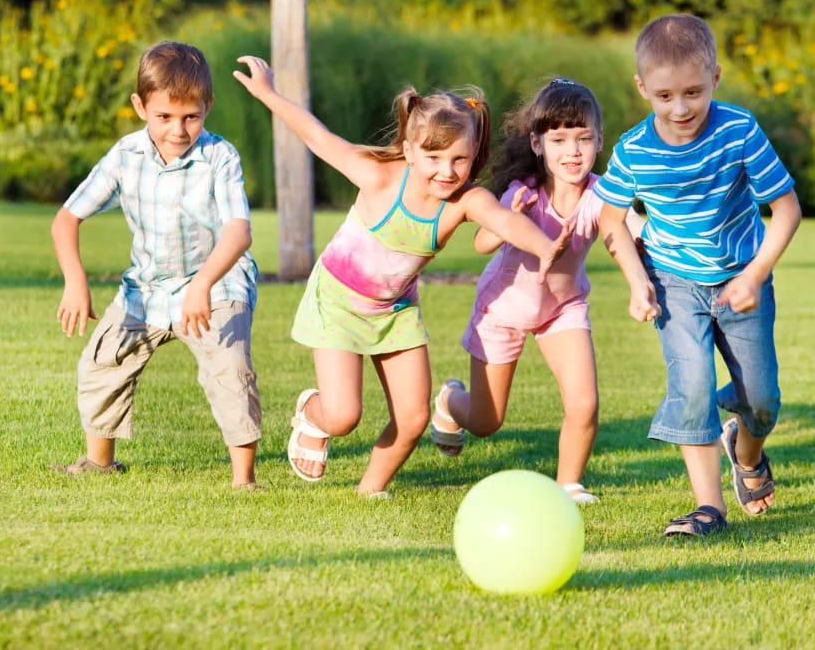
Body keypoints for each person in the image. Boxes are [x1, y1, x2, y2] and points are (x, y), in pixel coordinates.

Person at [233, 55, 571, 497]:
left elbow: (503, 220)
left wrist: (545, 246)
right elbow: (317, 136)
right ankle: (314, 415)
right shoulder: (377, 176)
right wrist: (268, 94)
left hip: (395, 311)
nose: (446, 171)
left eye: (459, 159)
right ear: (410, 150)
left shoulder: (463, 201)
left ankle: (369, 491)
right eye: (433, 157)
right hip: (337, 303)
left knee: (412, 419)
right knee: (343, 415)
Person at [594, 14, 801, 536]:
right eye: (664, 96)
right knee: (691, 386)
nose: (680, 108)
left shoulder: (738, 130)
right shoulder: (634, 150)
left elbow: (787, 208)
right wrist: (638, 281)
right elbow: (610, 218)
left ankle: (746, 452)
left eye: (693, 91)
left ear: (716, 77)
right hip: (675, 284)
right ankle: (709, 507)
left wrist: (755, 275)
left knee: (762, 399)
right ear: (643, 88)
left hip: (740, 280)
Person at [50, 41, 264, 489]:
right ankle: (99, 463)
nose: (178, 130)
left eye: (191, 116)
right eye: (164, 116)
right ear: (140, 106)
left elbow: (238, 231)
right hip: (146, 289)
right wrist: (75, 281)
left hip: (216, 284)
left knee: (229, 369)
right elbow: (67, 218)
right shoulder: (126, 155)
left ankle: (244, 481)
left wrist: (204, 283)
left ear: (208, 106)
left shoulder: (220, 158)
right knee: (103, 361)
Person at [429, 78, 644, 505]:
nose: (573, 151)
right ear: (537, 142)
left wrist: (649, 269)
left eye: (583, 138)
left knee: (584, 403)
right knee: (486, 421)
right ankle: (450, 400)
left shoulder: (602, 194)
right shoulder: (523, 192)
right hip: (502, 309)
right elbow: (482, 244)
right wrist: (507, 216)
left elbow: (629, 231)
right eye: (559, 139)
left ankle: (569, 484)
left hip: (562, 309)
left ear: (600, 140)